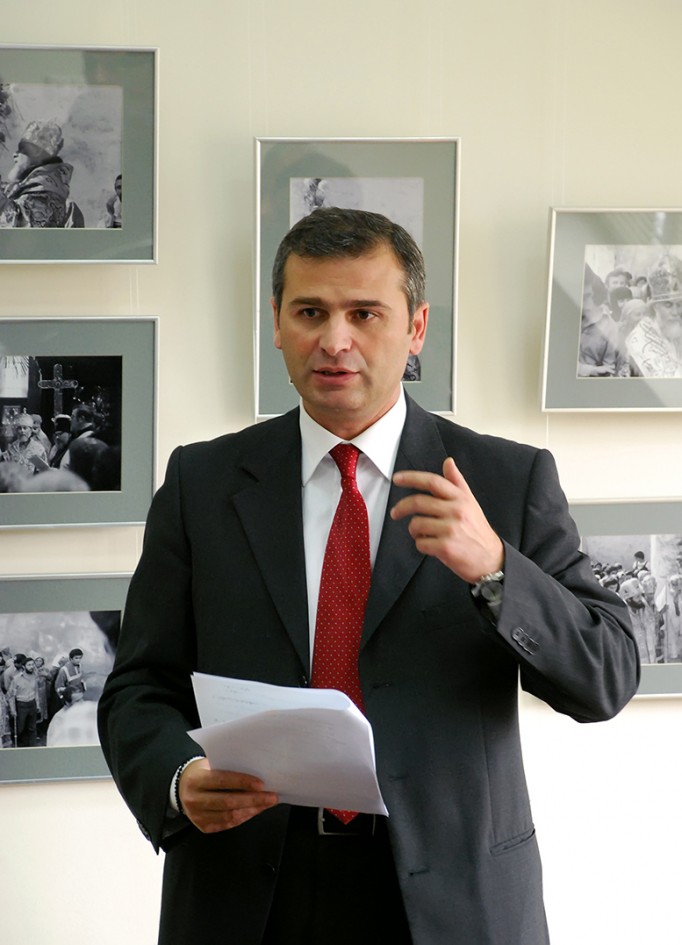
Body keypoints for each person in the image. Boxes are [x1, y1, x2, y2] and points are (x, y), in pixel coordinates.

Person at [98, 207, 639, 945]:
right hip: (248, 893)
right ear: (276, 322)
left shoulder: (505, 480)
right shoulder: (202, 482)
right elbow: (138, 686)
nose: (335, 340)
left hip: (453, 904)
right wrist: (175, 778)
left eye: (364, 313)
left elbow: (606, 676)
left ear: (416, 327)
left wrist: (496, 569)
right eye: (310, 312)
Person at [0, 119, 84, 228]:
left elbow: (21, 227)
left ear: (37, 152)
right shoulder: (33, 188)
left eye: (22, 149)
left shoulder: (44, 194)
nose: (15, 154)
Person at [626, 253, 682, 377]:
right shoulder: (640, 341)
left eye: (679, 304)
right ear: (655, 306)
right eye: (668, 305)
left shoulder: (677, 330)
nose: (676, 312)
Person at [577, 264, 628, 376]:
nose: (586, 304)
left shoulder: (609, 326)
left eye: (588, 296)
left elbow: (609, 370)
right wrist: (589, 369)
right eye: (580, 297)